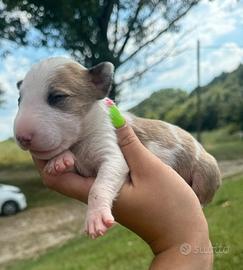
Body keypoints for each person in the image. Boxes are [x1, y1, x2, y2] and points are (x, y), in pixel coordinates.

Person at [33, 123, 213, 270]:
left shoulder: (98, 126)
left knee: (208, 166)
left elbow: (109, 162)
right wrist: (184, 239)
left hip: (193, 168)